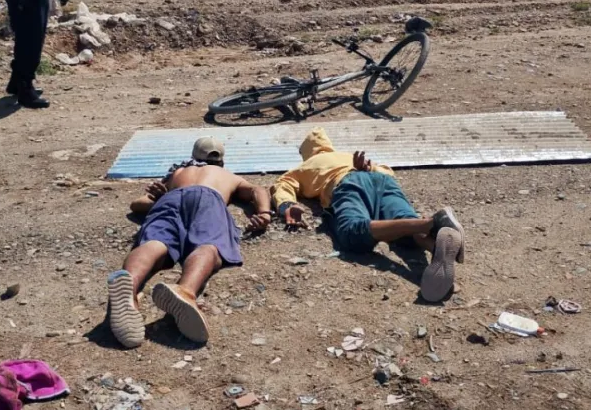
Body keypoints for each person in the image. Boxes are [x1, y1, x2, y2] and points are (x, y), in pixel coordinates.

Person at [106, 138, 273, 348]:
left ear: (194, 156)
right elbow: (258, 189)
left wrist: (161, 197)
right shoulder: (226, 175)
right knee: (209, 246)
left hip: (171, 198)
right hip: (209, 199)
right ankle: (184, 291)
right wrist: (264, 213)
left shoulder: (177, 173)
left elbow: (137, 205)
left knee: (155, 243)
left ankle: (129, 287)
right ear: (221, 161)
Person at [272, 127, 466, 302]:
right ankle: (433, 238)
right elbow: (387, 170)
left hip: (348, 184)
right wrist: (369, 168)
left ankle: (430, 223)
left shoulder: (306, 166)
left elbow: (283, 184)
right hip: (383, 180)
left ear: (307, 153)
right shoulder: (345, 155)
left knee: (352, 232)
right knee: (404, 225)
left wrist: (287, 206)